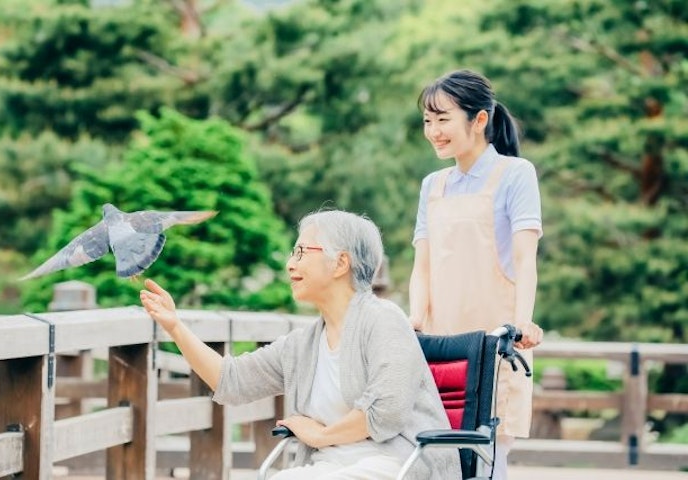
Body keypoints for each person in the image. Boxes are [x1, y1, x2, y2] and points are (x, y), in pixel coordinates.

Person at [141, 209, 461, 480]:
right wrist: (176, 326)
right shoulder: (302, 345)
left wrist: (320, 435)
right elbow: (232, 380)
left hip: (397, 466)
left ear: (340, 263)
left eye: (301, 252)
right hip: (329, 468)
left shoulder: (384, 320)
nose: (290, 264)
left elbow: (385, 413)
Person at [408, 69, 544, 480]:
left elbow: (525, 261)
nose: (433, 131)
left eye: (443, 119)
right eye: (428, 121)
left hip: (495, 342)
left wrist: (522, 322)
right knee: (435, 456)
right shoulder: (433, 185)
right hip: (441, 345)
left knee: (488, 460)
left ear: (479, 119)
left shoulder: (516, 175)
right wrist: (415, 319)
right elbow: (422, 267)